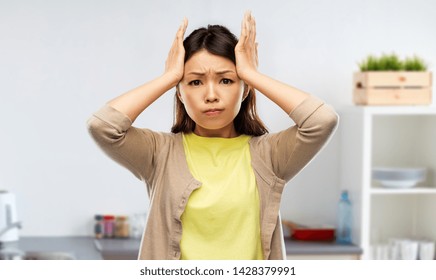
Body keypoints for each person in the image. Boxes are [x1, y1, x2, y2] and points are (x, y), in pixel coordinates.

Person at [87, 12, 338, 260]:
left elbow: (321, 120)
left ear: (245, 89)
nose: (211, 95)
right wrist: (168, 77)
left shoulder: (270, 154)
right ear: (179, 93)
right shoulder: (159, 152)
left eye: (226, 80)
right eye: (195, 82)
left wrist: (252, 74)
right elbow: (103, 126)